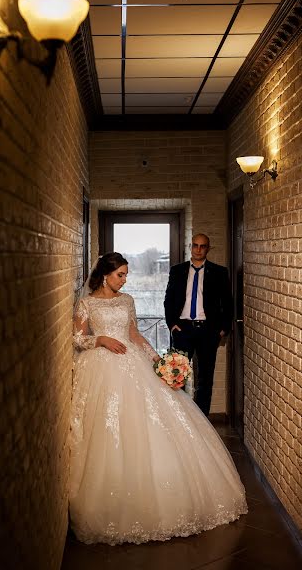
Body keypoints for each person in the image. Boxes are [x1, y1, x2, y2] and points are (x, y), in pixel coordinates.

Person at [70, 252, 246, 546]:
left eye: (126, 275)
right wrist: (99, 339)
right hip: (102, 366)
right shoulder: (87, 303)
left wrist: (159, 362)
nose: (125, 280)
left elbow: (135, 334)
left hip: (132, 361)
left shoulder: (127, 300)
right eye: (120, 275)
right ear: (104, 275)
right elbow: (76, 338)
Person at [164, 233, 232, 417]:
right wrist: (172, 325)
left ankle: (202, 422)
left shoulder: (219, 272)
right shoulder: (177, 271)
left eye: (203, 246)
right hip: (182, 330)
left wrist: (223, 329)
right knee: (176, 376)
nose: (199, 249)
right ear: (190, 247)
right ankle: (179, 418)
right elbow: (169, 300)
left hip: (208, 332)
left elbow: (227, 303)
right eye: (195, 245)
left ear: (208, 248)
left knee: (205, 378)